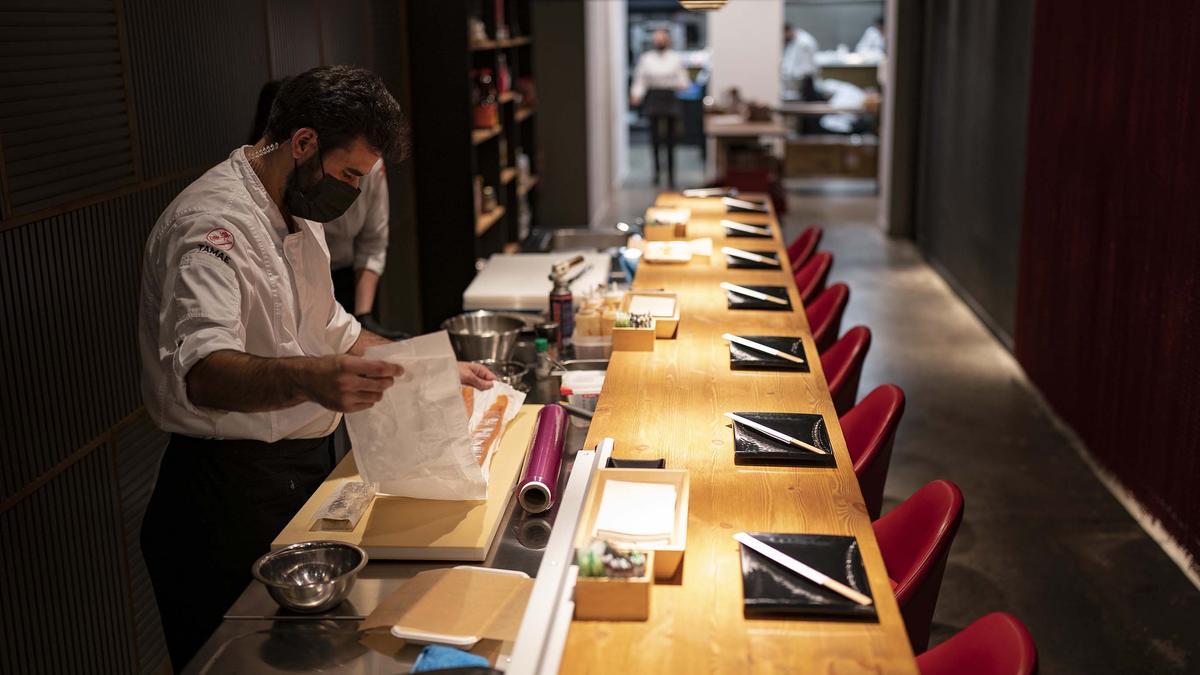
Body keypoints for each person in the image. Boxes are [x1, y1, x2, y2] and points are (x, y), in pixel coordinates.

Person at [138, 65, 495, 670]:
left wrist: (427, 366)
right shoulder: (211, 227)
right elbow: (203, 370)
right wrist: (312, 377)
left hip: (295, 477)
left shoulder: (299, 213)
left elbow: (335, 331)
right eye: (350, 173)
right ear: (303, 143)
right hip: (224, 497)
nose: (353, 191)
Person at [249, 81, 391, 323]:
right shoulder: (294, 189)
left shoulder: (365, 163)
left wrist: (363, 315)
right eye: (348, 174)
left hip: (347, 281)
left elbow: (373, 242)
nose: (354, 187)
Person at [630, 29, 689, 186]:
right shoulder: (647, 58)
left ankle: (671, 175)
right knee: (654, 138)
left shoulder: (675, 58)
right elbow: (640, 80)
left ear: (668, 40)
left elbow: (683, 80)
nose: (660, 41)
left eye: (663, 38)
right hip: (654, 97)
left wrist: (682, 85)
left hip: (669, 97)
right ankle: (656, 172)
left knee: (671, 139)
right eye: (657, 38)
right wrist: (636, 94)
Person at [782, 23, 820, 101]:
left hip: (805, 80)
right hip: (797, 80)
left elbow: (807, 67)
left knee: (808, 102)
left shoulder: (805, 42)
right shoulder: (793, 41)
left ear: (788, 31)